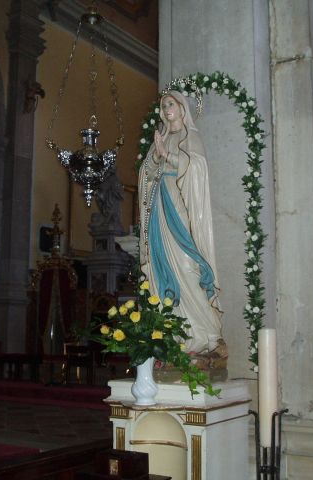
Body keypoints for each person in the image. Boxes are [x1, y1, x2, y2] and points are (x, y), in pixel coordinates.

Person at [138, 90, 223, 355]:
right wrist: (156, 156)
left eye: (170, 104)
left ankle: (205, 331)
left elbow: (196, 169)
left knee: (187, 266)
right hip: (159, 208)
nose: (166, 110)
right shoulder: (161, 138)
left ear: (182, 108)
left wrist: (167, 155)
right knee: (163, 266)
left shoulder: (190, 137)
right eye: (163, 106)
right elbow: (146, 173)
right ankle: (175, 333)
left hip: (180, 206)